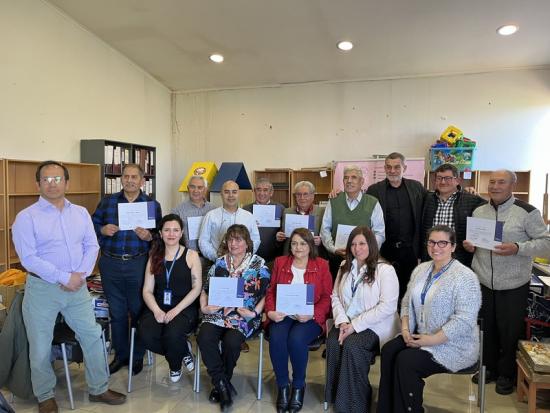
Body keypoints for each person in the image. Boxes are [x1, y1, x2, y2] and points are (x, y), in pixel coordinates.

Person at [12, 161, 126, 413]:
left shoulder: (81, 213)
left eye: (57, 179)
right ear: (38, 184)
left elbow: (92, 246)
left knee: (93, 336)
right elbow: (28, 259)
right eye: (46, 179)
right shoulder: (26, 217)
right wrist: (65, 277)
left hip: (78, 287)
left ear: (67, 182)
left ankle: (99, 388)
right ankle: (45, 396)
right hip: (43, 290)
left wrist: (80, 275)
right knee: (40, 345)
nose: (52, 184)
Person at [377, 225, 481, 413]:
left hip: (453, 345)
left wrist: (431, 340)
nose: (436, 247)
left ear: (453, 246)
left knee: (406, 361)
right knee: (390, 350)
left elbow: (464, 320)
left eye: (442, 243)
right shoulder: (421, 269)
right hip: (419, 334)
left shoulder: (465, 277)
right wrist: (406, 330)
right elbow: (407, 302)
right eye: (432, 242)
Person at [464, 170, 550, 394]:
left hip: (513, 284)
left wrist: (518, 248)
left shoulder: (527, 212)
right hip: (483, 281)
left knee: (509, 331)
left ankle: (506, 374)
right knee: (487, 328)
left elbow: (546, 244)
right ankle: (488, 368)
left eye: (501, 182)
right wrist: (470, 246)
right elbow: (476, 242)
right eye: (492, 182)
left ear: (512, 185)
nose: (495, 186)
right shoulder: (479, 210)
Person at [92, 163, 162, 375]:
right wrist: (102, 229)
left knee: (138, 311)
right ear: (121, 179)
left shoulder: (151, 204)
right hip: (110, 263)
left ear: (142, 181)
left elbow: (161, 235)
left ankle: (137, 355)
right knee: (117, 312)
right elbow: (91, 226)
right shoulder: (108, 202)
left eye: (134, 177)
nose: (129, 180)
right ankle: (121, 355)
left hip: (138, 263)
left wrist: (150, 236)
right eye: (126, 176)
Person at [325, 226, 399, 413]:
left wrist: (354, 326)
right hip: (346, 321)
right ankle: (338, 398)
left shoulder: (385, 269)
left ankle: (358, 403)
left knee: (353, 346)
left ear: (371, 245)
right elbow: (335, 296)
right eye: (353, 244)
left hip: (375, 326)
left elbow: (387, 307)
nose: (357, 248)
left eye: (362, 243)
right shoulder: (344, 266)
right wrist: (342, 322)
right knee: (333, 342)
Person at [197, 224, 270, 410]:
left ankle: (221, 383)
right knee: (204, 336)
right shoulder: (220, 263)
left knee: (231, 342)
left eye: (238, 239)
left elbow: (267, 294)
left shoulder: (258, 264)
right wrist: (204, 307)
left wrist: (255, 313)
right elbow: (205, 289)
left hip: (244, 315)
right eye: (230, 239)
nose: (233, 243)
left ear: (247, 243)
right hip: (218, 312)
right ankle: (222, 384)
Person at [265, 228, 333, 413]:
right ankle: (283, 386)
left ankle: (298, 385)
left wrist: (312, 313)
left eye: (303, 243)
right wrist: (270, 312)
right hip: (283, 313)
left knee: (296, 339)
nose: (298, 247)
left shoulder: (322, 265)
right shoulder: (280, 262)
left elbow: (327, 297)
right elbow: (271, 291)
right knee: (277, 336)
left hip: (309, 316)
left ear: (310, 245)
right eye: (294, 243)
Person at [138, 214, 202, 383]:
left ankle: (174, 366)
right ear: (160, 232)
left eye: (175, 230)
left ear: (181, 233)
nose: (171, 234)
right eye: (167, 230)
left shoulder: (191, 255)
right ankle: (183, 351)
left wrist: (176, 310)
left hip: (184, 307)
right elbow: (147, 290)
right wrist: (157, 311)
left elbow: (196, 288)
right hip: (158, 305)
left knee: (173, 334)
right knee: (146, 334)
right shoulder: (154, 256)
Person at [365, 152, 426, 299]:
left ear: (404, 167)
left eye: (396, 167)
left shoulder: (416, 188)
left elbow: (432, 201)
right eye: (389, 167)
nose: (392, 171)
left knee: (409, 292)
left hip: (410, 251)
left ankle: (406, 321)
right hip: (384, 251)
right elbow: (362, 208)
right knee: (385, 292)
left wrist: (462, 190)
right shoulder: (374, 190)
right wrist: (338, 193)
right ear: (384, 168)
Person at [321, 165, 385, 278]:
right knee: (338, 292)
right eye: (346, 178)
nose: (349, 181)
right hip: (337, 260)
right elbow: (325, 230)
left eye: (354, 177)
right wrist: (334, 249)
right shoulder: (333, 201)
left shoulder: (373, 203)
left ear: (362, 182)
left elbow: (379, 233)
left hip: (365, 261)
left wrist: (367, 252)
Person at [421, 163, 486, 266]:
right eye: (439, 178)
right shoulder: (426, 199)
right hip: (431, 255)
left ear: (458, 181)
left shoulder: (472, 200)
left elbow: (490, 212)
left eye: (448, 178)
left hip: (459, 258)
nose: (443, 182)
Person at [198, 180, 261, 263]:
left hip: (243, 264)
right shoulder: (210, 216)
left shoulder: (248, 216)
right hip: (217, 263)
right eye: (227, 192)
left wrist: (244, 256)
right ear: (221, 194)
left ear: (238, 194)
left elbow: (256, 239)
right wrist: (217, 258)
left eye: (234, 192)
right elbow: (203, 241)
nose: (231, 195)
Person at [276, 181, 326, 256]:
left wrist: (321, 241)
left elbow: (328, 235)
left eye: (305, 194)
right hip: (291, 256)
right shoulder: (287, 212)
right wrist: (279, 237)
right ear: (295, 196)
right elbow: (282, 235)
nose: (302, 198)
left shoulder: (322, 212)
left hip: (313, 256)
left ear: (312, 196)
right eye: (299, 194)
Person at [243, 177, 284, 266]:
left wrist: (280, 235)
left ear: (271, 192)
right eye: (258, 190)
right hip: (250, 259)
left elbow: (284, 230)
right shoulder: (245, 210)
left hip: (273, 258)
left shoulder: (280, 208)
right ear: (254, 191)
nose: (262, 193)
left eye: (265, 190)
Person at [172, 175, 215, 252]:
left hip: (210, 257)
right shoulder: (178, 211)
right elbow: (173, 235)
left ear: (205, 190)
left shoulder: (213, 210)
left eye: (200, 187)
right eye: (192, 187)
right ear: (188, 188)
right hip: (187, 257)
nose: (196, 190)